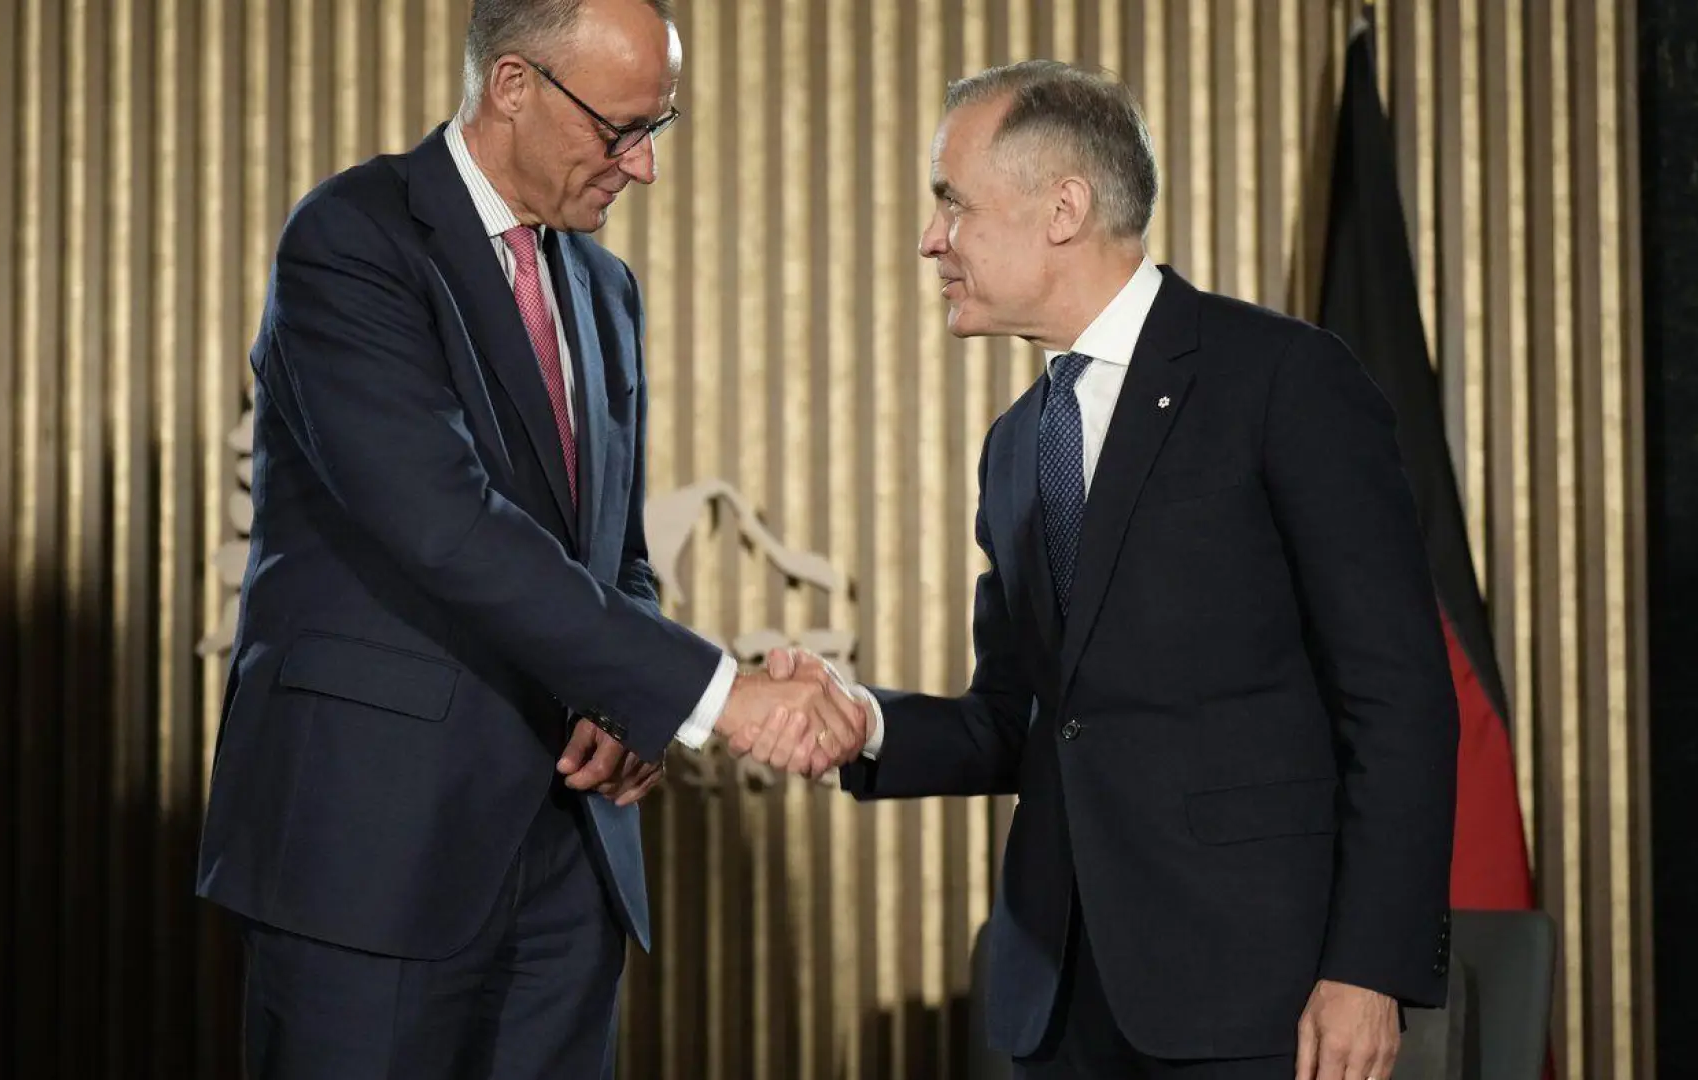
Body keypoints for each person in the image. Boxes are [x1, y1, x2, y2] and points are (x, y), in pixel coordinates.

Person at [195, 1, 866, 1075]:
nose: (644, 167)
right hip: (375, 855)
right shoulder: (352, 240)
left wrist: (627, 697)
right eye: (622, 129)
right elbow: (445, 525)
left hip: (569, 861)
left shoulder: (604, 291)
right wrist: (716, 695)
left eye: (658, 128)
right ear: (513, 86)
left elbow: (615, 553)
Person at [768, 60, 1458, 1080]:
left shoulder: (1283, 379)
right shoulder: (1016, 444)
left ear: (1064, 207)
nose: (930, 239)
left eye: (952, 202)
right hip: (1060, 1003)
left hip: (1259, 999)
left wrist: (1368, 969)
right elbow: (1021, 719)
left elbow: (1398, 697)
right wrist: (863, 723)